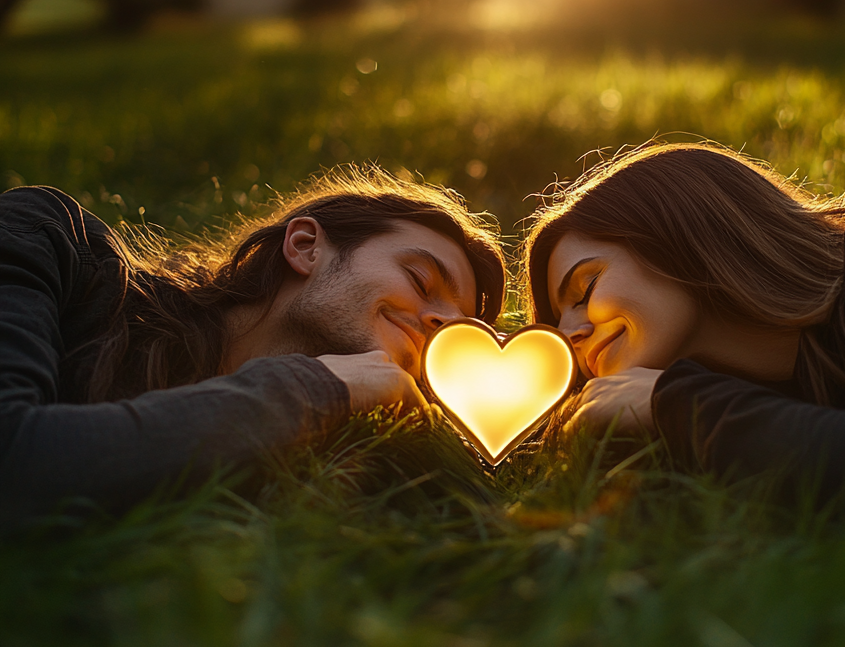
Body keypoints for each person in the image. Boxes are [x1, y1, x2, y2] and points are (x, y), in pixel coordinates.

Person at [525, 144, 845, 516]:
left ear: (679, 233)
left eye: (585, 289)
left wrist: (679, 402)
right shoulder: (776, 411)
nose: (569, 333)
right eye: (559, 317)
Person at [0, 169, 505, 521]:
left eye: (455, 329)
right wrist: (312, 388)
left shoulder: (327, 465)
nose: (442, 321)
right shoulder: (49, 242)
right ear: (306, 247)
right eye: (420, 279)